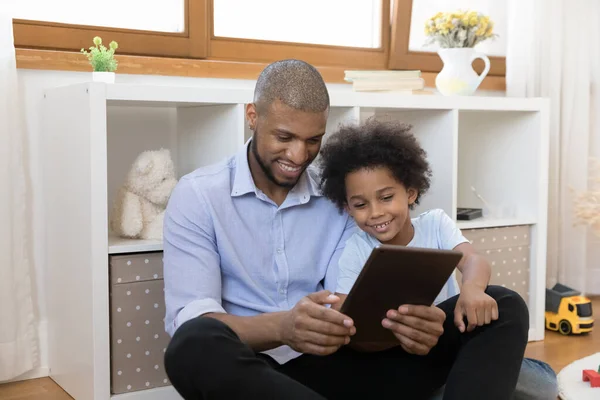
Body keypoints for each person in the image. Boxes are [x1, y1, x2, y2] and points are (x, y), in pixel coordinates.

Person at [162, 59, 557, 399]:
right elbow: (193, 318)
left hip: (352, 364)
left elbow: (361, 313)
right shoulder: (198, 196)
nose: (298, 156)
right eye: (284, 137)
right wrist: (284, 327)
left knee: (503, 304)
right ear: (253, 116)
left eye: (312, 140)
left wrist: (414, 329)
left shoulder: (345, 195)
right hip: (262, 377)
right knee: (191, 345)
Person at [318, 118, 559, 400]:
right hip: (394, 350)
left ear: (410, 192)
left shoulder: (436, 224)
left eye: (386, 197)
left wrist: (471, 289)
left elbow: (473, 260)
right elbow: (347, 315)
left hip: (446, 336)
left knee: (535, 367)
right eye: (360, 205)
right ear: (347, 207)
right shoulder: (355, 249)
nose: (375, 212)